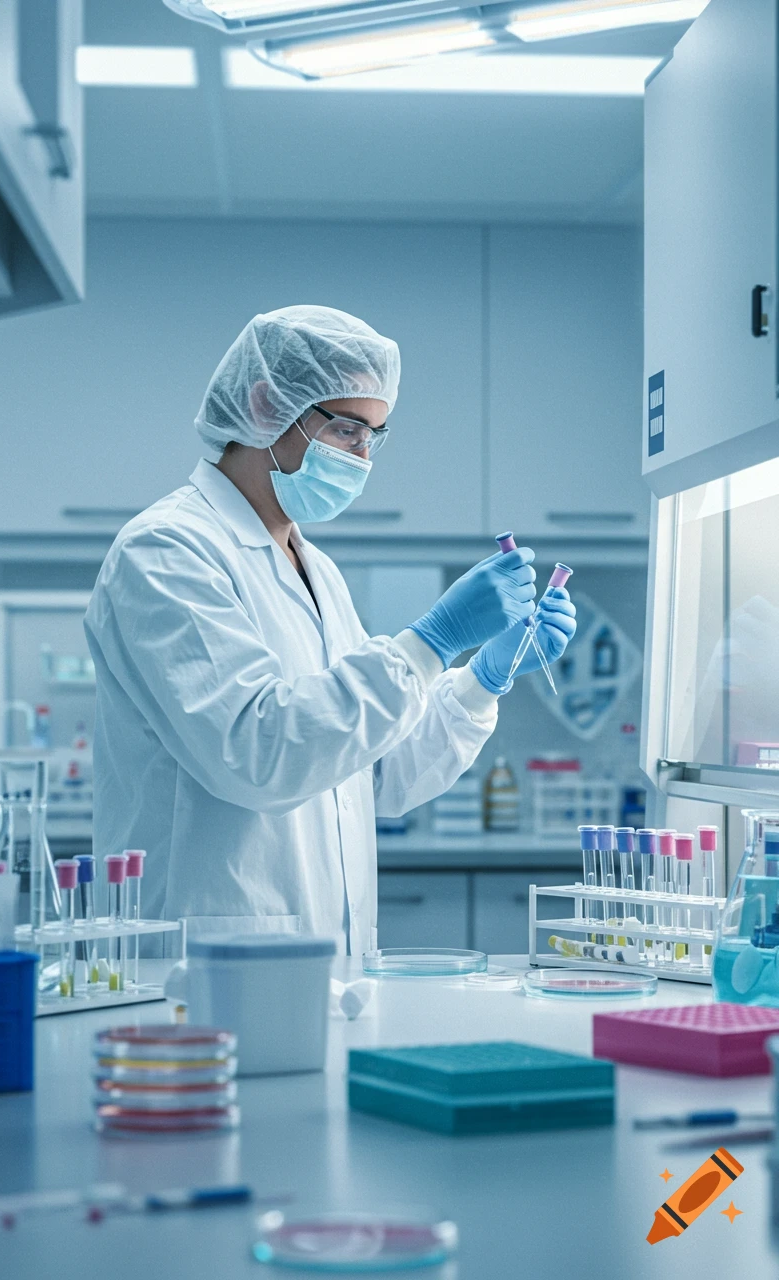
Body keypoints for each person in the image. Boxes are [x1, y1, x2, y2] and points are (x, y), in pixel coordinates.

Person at [84, 306, 576, 954]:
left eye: (376, 434)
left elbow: (375, 776)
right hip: (199, 960)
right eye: (348, 429)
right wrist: (431, 640)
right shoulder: (166, 551)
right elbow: (257, 754)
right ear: (266, 405)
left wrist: (481, 678)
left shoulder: (316, 570)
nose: (364, 456)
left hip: (321, 959)